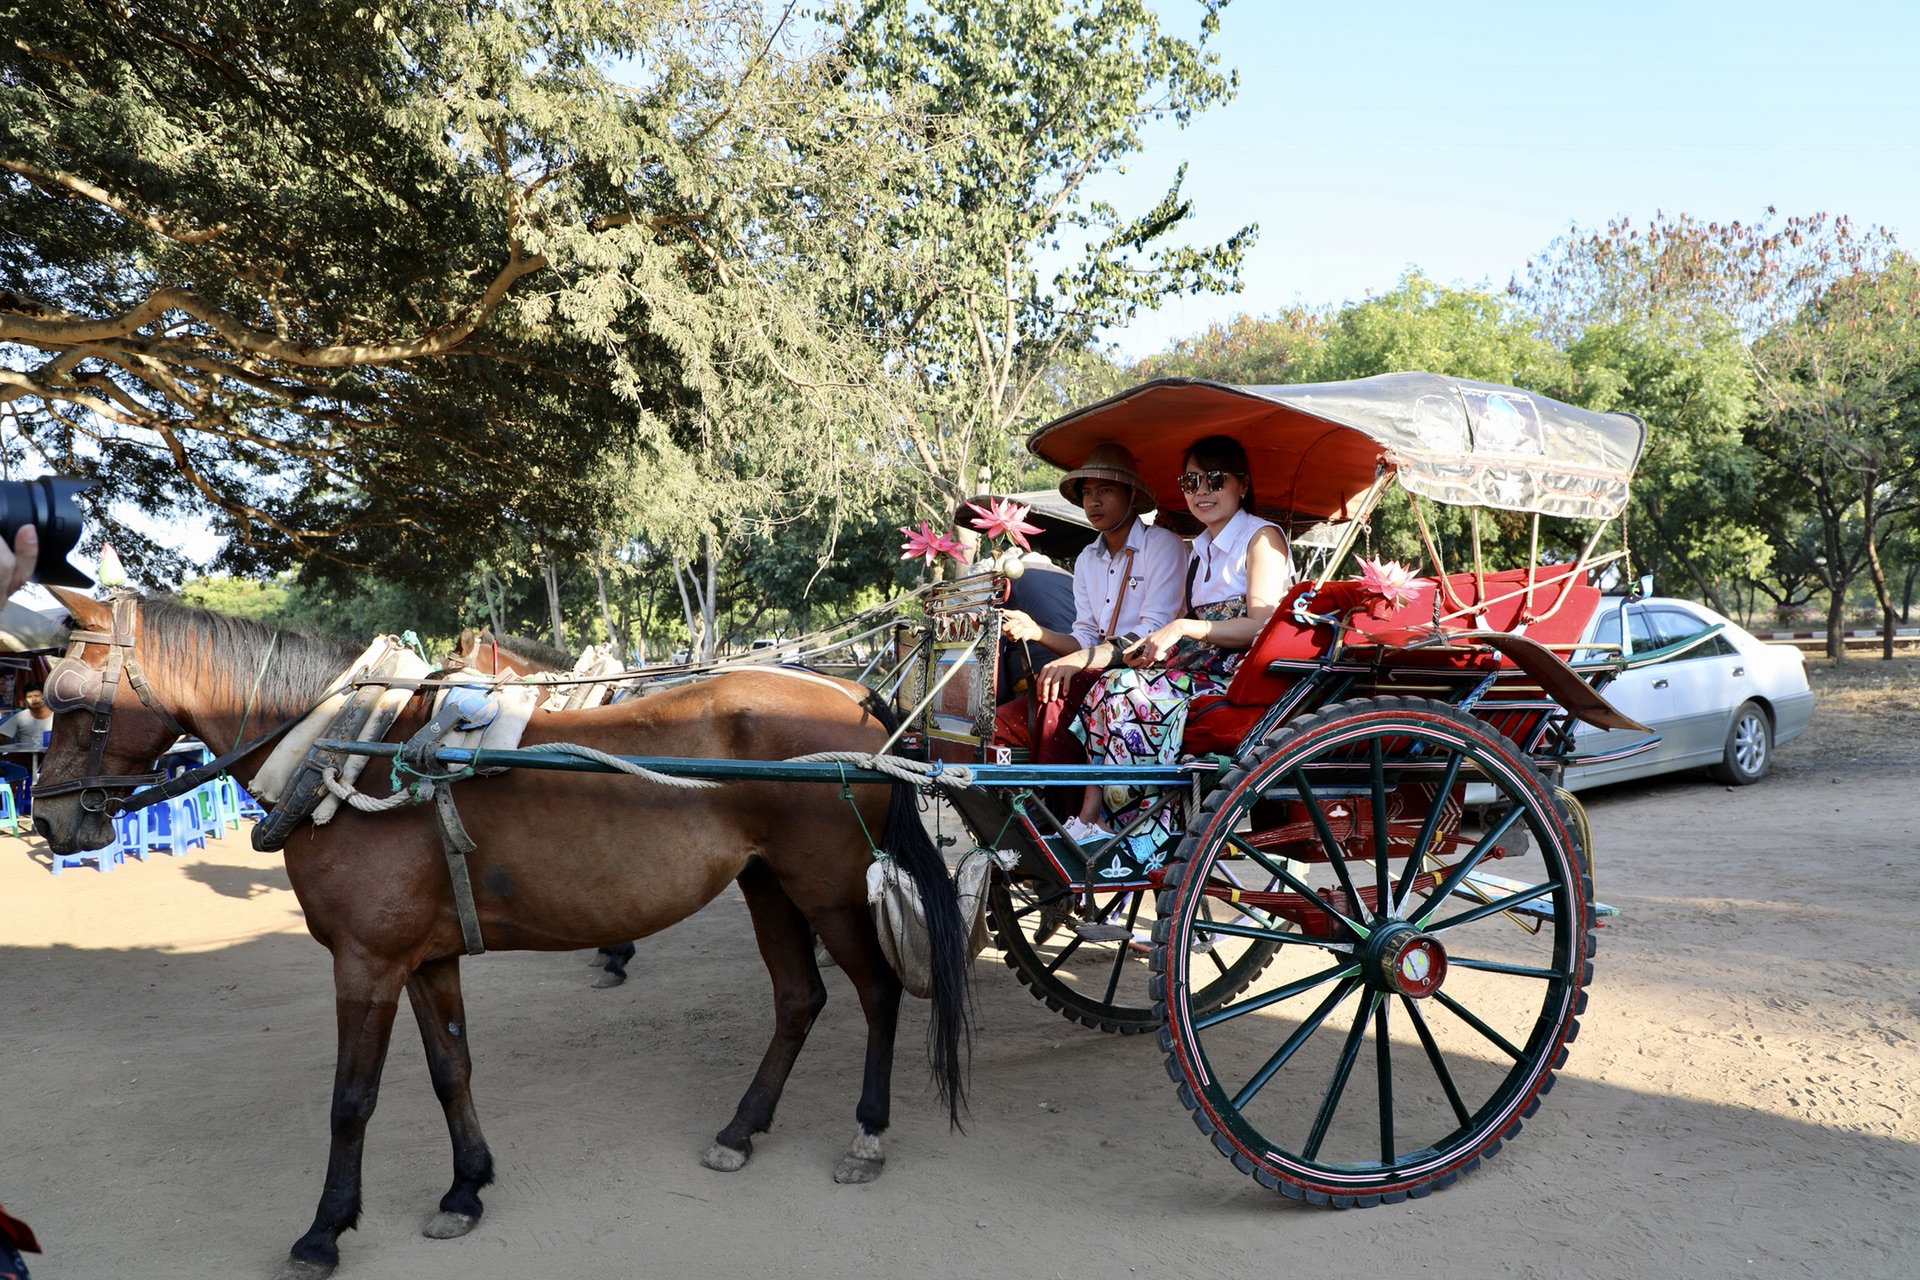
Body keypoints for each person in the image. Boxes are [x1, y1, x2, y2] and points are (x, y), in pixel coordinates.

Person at [1071, 434, 1294, 853]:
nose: (1201, 492)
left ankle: (1144, 830)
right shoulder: (1201, 549)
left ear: (1241, 484)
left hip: (1245, 676)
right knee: (1110, 682)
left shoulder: (1261, 538)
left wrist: (1186, 629)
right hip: (1201, 665)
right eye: (1190, 483)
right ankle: (1095, 817)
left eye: (1214, 479)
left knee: (1122, 690)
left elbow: (1262, 626)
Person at [990, 444, 1185, 773]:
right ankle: (1044, 808)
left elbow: (1152, 633)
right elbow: (1084, 636)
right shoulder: (1086, 559)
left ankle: (1066, 807)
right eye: (1088, 493)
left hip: (1150, 672)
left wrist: (1076, 660)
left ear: (1132, 496)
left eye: (1106, 490)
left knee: (1052, 699)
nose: (1094, 502)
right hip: (1101, 671)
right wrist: (1035, 631)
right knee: (1005, 719)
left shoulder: (1162, 544)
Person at [952, 497, 1077, 701]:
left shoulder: (1002, 573)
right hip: (1077, 672)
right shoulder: (1064, 575)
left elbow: (969, 617)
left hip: (1039, 679)